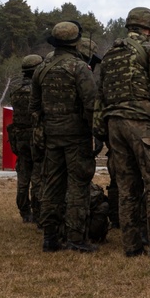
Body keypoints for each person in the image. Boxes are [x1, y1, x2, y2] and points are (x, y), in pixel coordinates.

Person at [95, 7, 150, 258]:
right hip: (142, 123)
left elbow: (100, 94)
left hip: (115, 124)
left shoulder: (110, 55)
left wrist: (102, 127)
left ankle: (131, 245)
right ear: (149, 28)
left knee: (127, 187)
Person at [30, 21, 98, 253]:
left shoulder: (42, 69)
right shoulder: (79, 68)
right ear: (76, 42)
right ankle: (76, 239)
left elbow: (35, 106)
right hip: (76, 136)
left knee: (52, 186)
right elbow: (91, 104)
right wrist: (96, 133)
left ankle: (50, 238)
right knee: (78, 186)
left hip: (51, 136)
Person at [7, 54, 43, 223]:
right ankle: (37, 211)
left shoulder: (15, 89)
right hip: (35, 137)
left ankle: (24, 211)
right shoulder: (38, 89)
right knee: (37, 176)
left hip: (19, 137)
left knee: (23, 176)